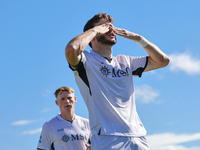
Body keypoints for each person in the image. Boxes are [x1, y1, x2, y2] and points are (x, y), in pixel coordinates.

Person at [65, 12, 170, 150]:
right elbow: (72, 50)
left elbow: (162, 60)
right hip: (107, 138)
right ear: (92, 36)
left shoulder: (125, 61)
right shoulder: (86, 61)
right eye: (104, 26)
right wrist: (95, 30)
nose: (110, 29)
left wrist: (138, 38)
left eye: (111, 26)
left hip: (138, 136)